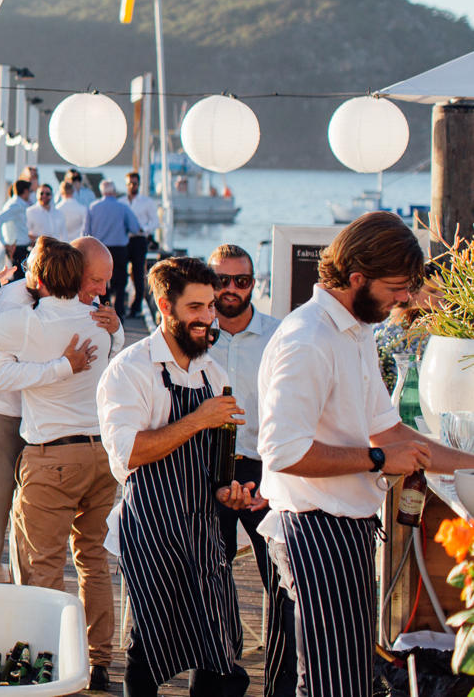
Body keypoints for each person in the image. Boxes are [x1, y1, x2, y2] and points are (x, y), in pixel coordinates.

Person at [257, 213, 474, 697]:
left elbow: (391, 430)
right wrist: (377, 462)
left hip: (346, 528)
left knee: (353, 679)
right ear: (357, 278)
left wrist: (471, 464)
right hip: (313, 528)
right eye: (396, 287)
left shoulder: (353, 333)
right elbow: (282, 450)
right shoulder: (308, 339)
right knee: (331, 685)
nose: (404, 298)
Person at [98, 257, 262, 697]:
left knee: (220, 650)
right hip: (150, 527)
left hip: (204, 526)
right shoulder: (131, 370)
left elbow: (219, 461)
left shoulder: (214, 374)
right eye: (195, 307)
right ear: (164, 307)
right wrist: (199, 418)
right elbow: (127, 452)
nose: (208, 317)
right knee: (150, 646)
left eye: (210, 306)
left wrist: (230, 491)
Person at [0, 238, 118, 691]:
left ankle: (45, 665)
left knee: (41, 566)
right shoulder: (103, 323)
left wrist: (58, 368)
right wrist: (116, 332)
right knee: (93, 562)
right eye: (97, 280)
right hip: (101, 456)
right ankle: (98, 661)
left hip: (52, 457)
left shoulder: (29, 323)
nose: (101, 288)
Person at [0, 258, 103, 571]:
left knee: (29, 524)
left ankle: (22, 601)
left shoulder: (83, 302)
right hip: (3, 416)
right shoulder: (15, 301)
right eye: (95, 279)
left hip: (42, 426)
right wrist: (63, 367)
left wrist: (115, 326)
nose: (100, 290)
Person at [205, 244, 293, 697]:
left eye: (241, 280)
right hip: (208, 469)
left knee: (283, 581)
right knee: (209, 576)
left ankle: (281, 685)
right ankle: (217, 676)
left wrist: (273, 481)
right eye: (222, 280)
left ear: (254, 284)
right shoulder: (193, 334)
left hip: (265, 468)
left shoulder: (281, 335)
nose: (232, 289)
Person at [84, 180, 143, 320]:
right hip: (119, 250)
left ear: (101, 191)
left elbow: (86, 232)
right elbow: (135, 228)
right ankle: (119, 313)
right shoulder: (123, 208)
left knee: (100, 283)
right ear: (114, 191)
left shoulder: (92, 207)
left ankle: (104, 309)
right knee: (120, 283)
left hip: (98, 251)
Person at [121, 172, 160, 319]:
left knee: (138, 274)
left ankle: (136, 307)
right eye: (129, 183)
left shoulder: (147, 202)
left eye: (135, 183)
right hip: (123, 240)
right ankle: (121, 304)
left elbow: (155, 221)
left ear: (139, 184)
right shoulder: (121, 201)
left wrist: (143, 229)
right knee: (120, 274)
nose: (132, 186)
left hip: (139, 240)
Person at [0, 179, 33, 267]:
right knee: (20, 278)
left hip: (21, 247)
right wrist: (3, 243)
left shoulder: (18, 204)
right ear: (25, 191)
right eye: (30, 191)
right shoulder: (15, 206)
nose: (30, 194)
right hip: (18, 249)